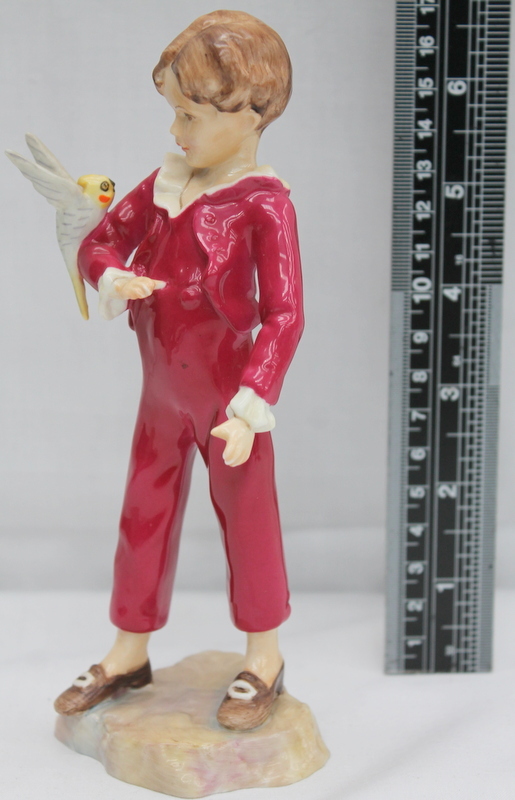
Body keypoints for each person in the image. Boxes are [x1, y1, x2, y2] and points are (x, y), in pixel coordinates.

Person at [54, 9, 304, 732]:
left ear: (248, 113)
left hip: (228, 401)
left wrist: (252, 401)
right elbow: (100, 242)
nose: (175, 131)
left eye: (189, 115)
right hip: (160, 396)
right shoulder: (165, 184)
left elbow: (285, 314)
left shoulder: (264, 205)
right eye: (174, 112)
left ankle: (264, 658)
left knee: (249, 522)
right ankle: (128, 651)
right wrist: (112, 276)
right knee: (143, 516)